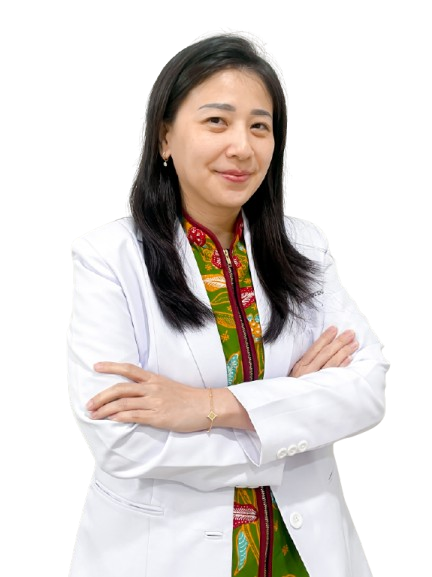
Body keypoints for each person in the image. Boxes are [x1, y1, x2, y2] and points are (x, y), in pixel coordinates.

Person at [66, 28, 390, 577]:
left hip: (307, 554)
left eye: (260, 126)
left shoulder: (305, 245)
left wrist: (208, 407)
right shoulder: (108, 257)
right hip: (165, 556)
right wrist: (293, 416)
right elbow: (123, 441)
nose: (242, 146)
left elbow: (366, 390)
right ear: (165, 137)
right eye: (217, 121)